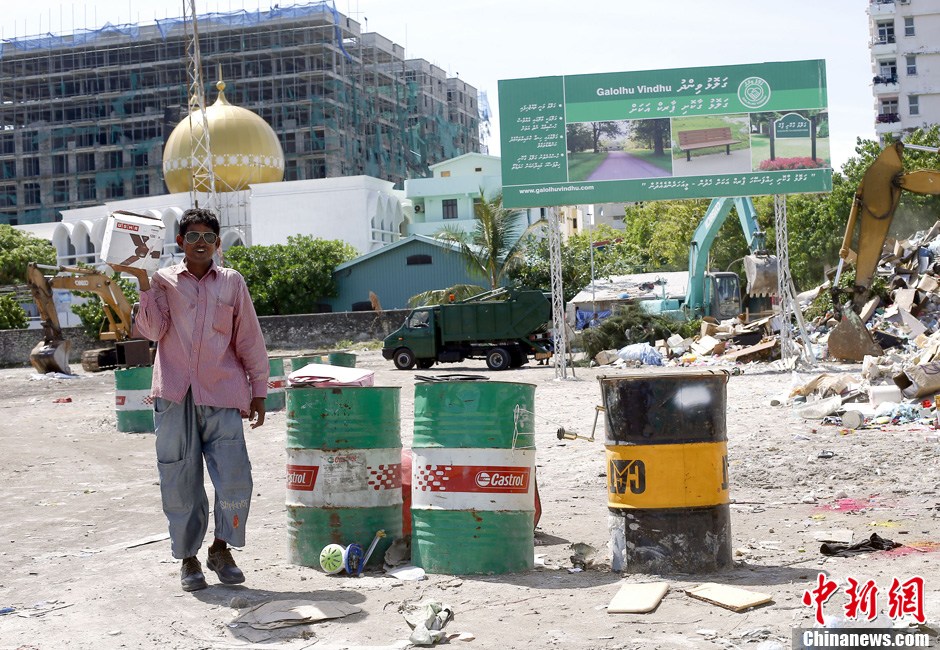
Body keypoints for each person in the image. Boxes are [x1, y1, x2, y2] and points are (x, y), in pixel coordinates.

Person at [112, 208, 269, 592]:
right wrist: (143, 283)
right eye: (193, 236)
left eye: (209, 237)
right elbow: (152, 330)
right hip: (174, 397)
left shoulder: (232, 282)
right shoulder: (162, 281)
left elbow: (248, 338)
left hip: (223, 393)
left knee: (235, 480)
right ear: (179, 241)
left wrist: (259, 391)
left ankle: (220, 548)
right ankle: (189, 560)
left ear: (218, 243)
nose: (201, 243)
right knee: (180, 482)